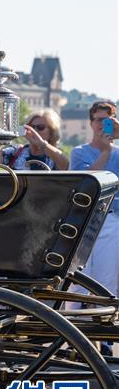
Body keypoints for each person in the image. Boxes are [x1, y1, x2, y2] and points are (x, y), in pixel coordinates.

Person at [70, 101, 119, 307]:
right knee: (77, 282)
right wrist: (105, 152)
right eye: (99, 120)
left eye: (108, 121)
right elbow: (87, 182)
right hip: (84, 220)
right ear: (91, 123)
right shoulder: (79, 152)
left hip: (110, 218)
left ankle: (104, 334)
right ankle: (70, 331)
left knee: (106, 282)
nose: (102, 125)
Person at [0, 109, 69, 170]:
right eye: (31, 127)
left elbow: (65, 165)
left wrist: (42, 144)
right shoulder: (16, 151)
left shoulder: (55, 154)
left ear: (51, 132)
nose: (34, 131)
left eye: (40, 127)